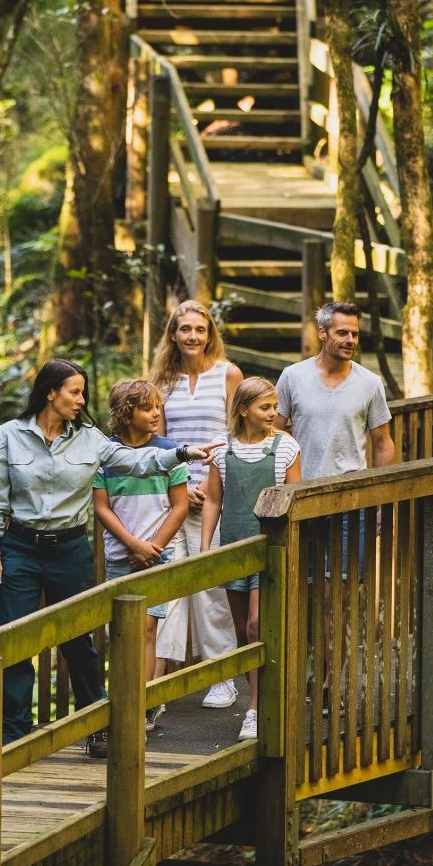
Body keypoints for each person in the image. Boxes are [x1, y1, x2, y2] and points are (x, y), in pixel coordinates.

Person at [0, 358, 219, 755]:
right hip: (20, 547)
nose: (81, 400)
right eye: (74, 392)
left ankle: (96, 726)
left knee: (79, 641)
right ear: (50, 393)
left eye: (83, 393)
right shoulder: (9, 435)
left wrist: (182, 453)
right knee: (15, 638)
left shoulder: (89, 437)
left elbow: (135, 460)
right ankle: (13, 734)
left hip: (70, 549)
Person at [149, 300, 245, 711]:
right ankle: (157, 686)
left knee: (211, 588)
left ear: (210, 334)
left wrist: (210, 484)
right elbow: (160, 444)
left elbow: (236, 434)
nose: (192, 336)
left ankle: (222, 677)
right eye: (185, 329)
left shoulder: (228, 374)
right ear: (173, 333)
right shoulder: (161, 381)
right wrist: (180, 490)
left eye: (200, 330)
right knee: (167, 589)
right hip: (173, 498)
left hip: (216, 495)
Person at [200, 378, 301, 741]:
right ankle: (264, 697)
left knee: (259, 625)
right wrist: (205, 548)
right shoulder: (223, 450)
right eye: (265, 407)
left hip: (269, 549)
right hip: (233, 547)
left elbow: (295, 498)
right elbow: (213, 500)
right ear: (243, 410)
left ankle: (255, 709)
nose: (274, 413)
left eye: (274, 406)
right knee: (243, 632)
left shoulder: (286, 448)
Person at [92, 380, 191, 732]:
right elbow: (102, 508)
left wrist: (153, 548)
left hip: (158, 553)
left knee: (148, 627)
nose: (156, 413)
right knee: (123, 629)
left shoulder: (170, 451)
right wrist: (133, 544)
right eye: (147, 408)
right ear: (125, 413)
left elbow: (180, 505)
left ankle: (144, 702)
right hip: (122, 553)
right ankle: (122, 698)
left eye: (157, 407)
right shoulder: (105, 455)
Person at [275, 301, 397, 477]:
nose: (350, 340)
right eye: (342, 333)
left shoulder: (371, 382)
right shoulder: (292, 376)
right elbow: (271, 434)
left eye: (354, 334)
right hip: (301, 489)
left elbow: (383, 444)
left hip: (352, 492)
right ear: (322, 333)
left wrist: (381, 497)